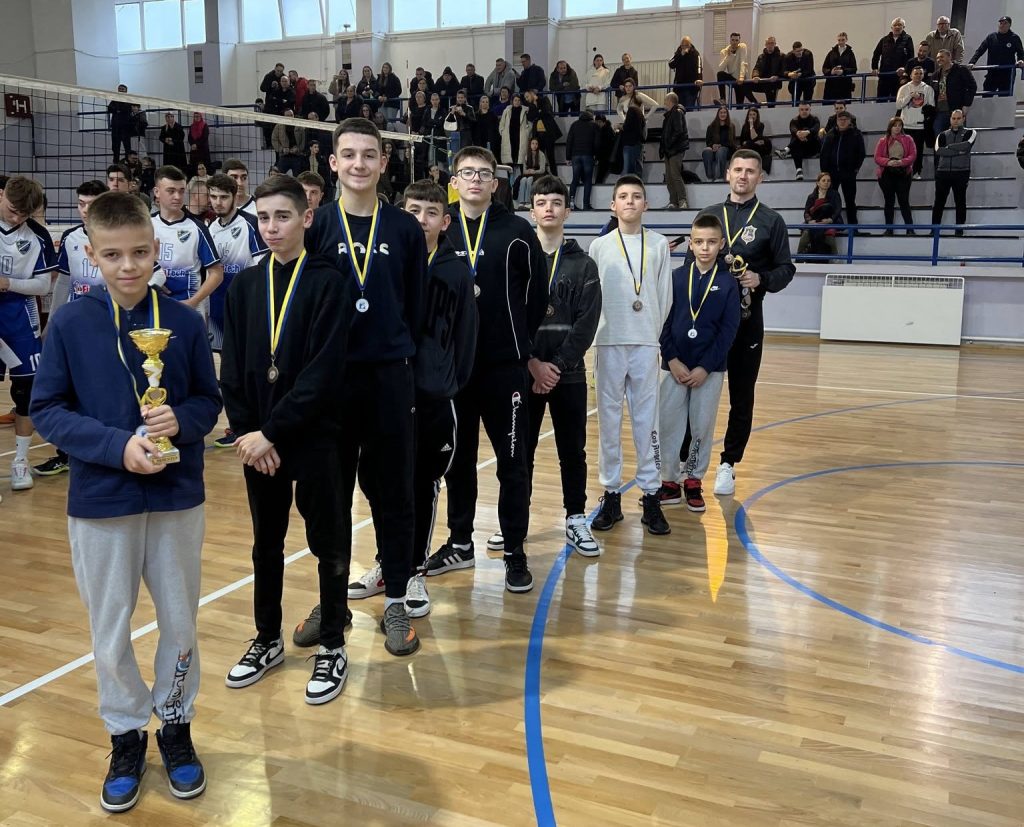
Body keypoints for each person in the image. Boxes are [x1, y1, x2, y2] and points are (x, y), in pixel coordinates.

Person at [30, 190, 221, 813]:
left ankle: (175, 722)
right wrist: (117, 447)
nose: (129, 266)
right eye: (113, 255)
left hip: (175, 497)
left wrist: (181, 422)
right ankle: (125, 733)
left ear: (156, 249)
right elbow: (47, 409)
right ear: (91, 255)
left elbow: (208, 401)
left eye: (140, 252)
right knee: (109, 627)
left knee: (180, 621)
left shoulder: (184, 324)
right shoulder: (70, 323)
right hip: (101, 498)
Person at [218, 171, 353, 703]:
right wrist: (248, 432)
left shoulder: (329, 282)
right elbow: (232, 368)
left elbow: (324, 372)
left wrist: (271, 431)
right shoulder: (246, 286)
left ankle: (333, 644)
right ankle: (267, 638)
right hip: (259, 445)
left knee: (329, 544)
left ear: (306, 218)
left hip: (313, 437)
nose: (271, 227)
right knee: (265, 544)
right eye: (263, 218)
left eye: (282, 216)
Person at [302, 118, 426, 655]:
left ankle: (396, 600)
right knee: (328, 499)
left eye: (369, 155)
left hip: (388, 379)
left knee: (394, 493)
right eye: (349, 154)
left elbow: (415, 306)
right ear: (333, 163)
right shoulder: (315, 227)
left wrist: (395, 352)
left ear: (383, 162)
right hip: (330, 383)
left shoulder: (403, 228)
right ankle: (332, 603)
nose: (359, 164)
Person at [422, 146, 547, 591]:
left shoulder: (517, 232)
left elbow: (537, 295)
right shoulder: (442, 228)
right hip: (455, 370)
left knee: (513, 463)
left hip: (504, 368)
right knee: (458, 460)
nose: (475, 179)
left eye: (483, 173)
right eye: (467, 172)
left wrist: (519, 344)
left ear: (495, 183)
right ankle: (460, 543)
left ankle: (514, 549)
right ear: (454, 182)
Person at [691, 150, 795, 496]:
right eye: (738, 169)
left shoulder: (771, 220)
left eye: (750, 171)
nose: (743, 176)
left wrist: (760, 279)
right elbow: (691, 263)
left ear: (760, 178)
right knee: (696, 391)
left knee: (742, 395)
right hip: (706, 321)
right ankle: (687, 463)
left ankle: (728, 464)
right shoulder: (708, 216)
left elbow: (786, 268)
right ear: (727, 174)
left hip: (747, 321)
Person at [588, 175, 672, 536]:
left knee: (647, 421)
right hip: (608, 341)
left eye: (637, 196)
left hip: (645, 343)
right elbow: (593, 296)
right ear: (613, 205)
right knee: (608, 421)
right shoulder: (599, 246)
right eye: (623, 196)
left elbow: (664, 295)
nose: (630, 201)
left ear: (645, 204)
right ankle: (611, 494)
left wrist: (651, 333)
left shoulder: (659, 244)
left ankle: (651, 495)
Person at [526, 175, 602, 554]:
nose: (549, 209)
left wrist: (555, 365)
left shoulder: (584, 265)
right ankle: (515, 519)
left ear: (567, 211)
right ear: (532, 211)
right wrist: (531, 362)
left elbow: (587, 323)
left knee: (572, 451)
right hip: (525, 373)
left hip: (567, 375)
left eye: (556, 202)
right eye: (542, 202)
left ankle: (575, 518)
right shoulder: (519, 259)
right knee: (519, 451)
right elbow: (508, 316)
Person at [657, 214, 739, 513]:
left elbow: (728, 330)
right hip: (673, 367)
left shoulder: (728, 283)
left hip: (709, 369)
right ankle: (669, 481)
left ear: (721, 244)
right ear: (690, 244)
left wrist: (706, 366)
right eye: (699, 242)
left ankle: (693, 479)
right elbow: (662, 321)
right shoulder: (675, 278)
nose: (705, 248)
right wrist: (671, 359)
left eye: (712, 242)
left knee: (702, 425)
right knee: (668, 424)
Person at [35, 180, 109, 481]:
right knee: (71, 390)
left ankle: (108, 447)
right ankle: (66, 453)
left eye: (92, 203)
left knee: (102, 390)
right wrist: (53, 322)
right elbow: (64, 282)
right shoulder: (70, 237)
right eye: (81, 204)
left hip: (108, 325)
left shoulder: (116, 233)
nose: (85, 210)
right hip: (77, 327)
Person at [0, 177, 57, 492]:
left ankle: (20, 460)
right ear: (2, 195)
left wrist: (8, 283)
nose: (16, 218)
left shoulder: (37, 235)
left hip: (20, 317)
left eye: (23, 214)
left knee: (26, 391)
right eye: (12, 210)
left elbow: (43, 285)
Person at [205, 172, 267, 365]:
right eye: (213, 196)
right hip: (217, 303)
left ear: (234, 196)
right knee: (225, 358)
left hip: (245, 303)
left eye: (224, 197)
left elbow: (263, 264)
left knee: (248, 356)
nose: (218, 202)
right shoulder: (211, 228)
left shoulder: (251, 223)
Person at [151, 166, 224, 314]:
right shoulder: (144, 225)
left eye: (181, 191)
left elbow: (217, 273)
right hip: (152, 306)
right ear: (157, 192)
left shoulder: (197, 228)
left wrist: (193, 301)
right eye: (171, 191)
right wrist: (152, 282)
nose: (178, 197)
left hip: (189, 307)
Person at [819, 111, 866, 232]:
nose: (842, 122)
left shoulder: (856, 134)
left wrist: (855, 169)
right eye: (840, 119)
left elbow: (861, 153)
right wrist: (825, 172)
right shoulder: (830, 134)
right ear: (836, 121)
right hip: (832, 173)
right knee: (830, 201)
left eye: (845, 119)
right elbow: (824, 154)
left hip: (848, 173)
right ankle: (831, 226)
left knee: (850, 201)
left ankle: (853, 228)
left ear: (849, 121)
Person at [932, 109, 976, 237]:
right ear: (950, 119)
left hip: (961, 172)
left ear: (963, 119)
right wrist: (958, 150)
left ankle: (959, 230)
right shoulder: (942, 135)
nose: (956, 121)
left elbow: (966, 146)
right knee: (938, 203)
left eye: (958, 118)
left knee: (960, 202)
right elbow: (939, 150)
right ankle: (934, 230)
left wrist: (949, 147)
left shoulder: (971, 132)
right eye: (953, 118)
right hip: (943, 172)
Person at [873, 116, 917, 235]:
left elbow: (913, 155)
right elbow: (877, 157)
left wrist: (902, 162)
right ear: (890, 127)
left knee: (904, 201)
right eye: (895, 125)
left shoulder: (908, 139)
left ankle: (910, 229)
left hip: (903, 173)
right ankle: (889, 229)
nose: (897, 128)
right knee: (889, 201)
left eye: (899, 125)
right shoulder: (883, 141)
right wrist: (888, 162)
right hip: (887, 173)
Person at [895, 66, 934, 178]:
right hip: (906, 125)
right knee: (903, 150)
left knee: (918, 150)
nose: (918, 76)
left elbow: (931, 107)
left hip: (920, 126)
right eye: (916, 73)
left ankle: (916, 172)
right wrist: (910, 96)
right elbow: (898, 105)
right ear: (911, 75)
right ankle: (903, 172)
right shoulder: (904, 88)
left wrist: (923, 105)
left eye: (920, 73)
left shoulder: (928, 89)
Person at [969, 16, 1024, 94]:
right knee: (987, 95)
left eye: (1005, 23)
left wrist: (1020, 60)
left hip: (1007, 73)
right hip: (992, 73)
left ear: (1009, 25)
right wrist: (972, 62)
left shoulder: (1014, 38)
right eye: (1001, 23)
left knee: (1004, 97)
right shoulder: (991, 37)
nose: (1002, 25)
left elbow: (1020, 52)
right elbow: (980, 50)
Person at [931, 49, 977, 135]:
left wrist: (966, 104)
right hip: (940, 111)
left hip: (956, 110)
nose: (939, 59)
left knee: (958, 136)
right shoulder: (935, 75)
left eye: (942, 57)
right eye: (937, 58)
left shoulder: (961, 70)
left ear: (949, 57)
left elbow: (972, 87)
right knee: (938, 134)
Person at [797, 172, 843, 258]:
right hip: (815, 222)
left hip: (830, 221)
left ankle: (836, 258)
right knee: (806, 234)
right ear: (818, 183)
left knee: (829, 236)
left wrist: (830, 220)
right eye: (824, 180)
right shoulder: (811, 196)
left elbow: (838, 210)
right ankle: (799, 257)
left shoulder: (835, 195)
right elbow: (806, 212)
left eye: (828, 181)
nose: (826, 182)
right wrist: (809, 221)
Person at [659, 93, 689, 210]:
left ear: (670, 101)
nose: (664, 103)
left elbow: (678, 131)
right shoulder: (668, 115)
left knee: (675, 175)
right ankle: (673, 201)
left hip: (675, 149)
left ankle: (682, 200)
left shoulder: (677, 113)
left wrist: (669, 144)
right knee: (669, 177)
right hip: (669, 150)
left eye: (665, 101)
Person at [873, 18, 915, 100]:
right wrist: (874, 68)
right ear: (891, 27)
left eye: (899, 25)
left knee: (897, 100)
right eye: (895, 25)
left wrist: (905, 68)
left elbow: (911, 57)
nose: (897, 27)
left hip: (899, 77)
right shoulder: (884, 40)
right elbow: (876, 54)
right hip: (884, 76)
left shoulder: (908, 39)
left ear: (903, 27)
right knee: (881, 100)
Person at [566, 109, 601, 210]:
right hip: (588, 155)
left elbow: (569, 141)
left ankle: (571, 204)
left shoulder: (574, 125)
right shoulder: (594, 126)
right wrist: (597, 156)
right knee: (588, 180)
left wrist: (568, 157)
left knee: (575, 179)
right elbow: (597, 143)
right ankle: (586, 204)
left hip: (575, 155)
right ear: (591, 116)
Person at [785, 101, 821, 180]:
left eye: (806, 109)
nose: (804, 111)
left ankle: (787, 149)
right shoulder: (794, 120)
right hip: (799, 148)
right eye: (802, 109)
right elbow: (793, 130)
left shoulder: (815, 119)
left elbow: (816, 129)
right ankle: (799, 171)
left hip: (813, 147)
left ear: (810, 110)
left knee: (806, 131)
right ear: (799, 110)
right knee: (796, 136)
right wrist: (799, 134)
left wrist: (807, 132)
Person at [717, 33, 754, 106]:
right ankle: (723, 99)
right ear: (730, 40)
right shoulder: (724, 51)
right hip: (733, 79)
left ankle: (756, 105)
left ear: (739, 41)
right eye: (733, 40)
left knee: (741, 103)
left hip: (742, 80)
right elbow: (720, 69)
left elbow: (743, 62)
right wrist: (728, 56)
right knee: (720, 74)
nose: (734, 42)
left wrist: (741, 77)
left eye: (736, 40)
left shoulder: (742, 47)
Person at [702, 105, 737, 182]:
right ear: (718, 114)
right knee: (706, 151)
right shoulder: (711, 127)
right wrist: (713, 146)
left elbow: (731, 142)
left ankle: (719, 177)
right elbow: (708, 142)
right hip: (714, 149)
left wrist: (720, 145)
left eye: (724, 113)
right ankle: (709, 177)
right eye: (721, 112)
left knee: (721, 150)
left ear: (727, 114)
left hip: (727, 150)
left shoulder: (731, 126)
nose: (723, 114)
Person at [670, 37, 704, 110]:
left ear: (690, 45)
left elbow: (699, 67)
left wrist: (699, 78)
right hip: (679, 87)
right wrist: (680, 55)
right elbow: (671, 64)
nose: (684, 47)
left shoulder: (695, 54)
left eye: (686, 45)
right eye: (682, 45)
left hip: (691, 87)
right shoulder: (678, 52)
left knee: (689, 109)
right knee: (679, 109)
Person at [822, 33, 857, 102]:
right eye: (839, 40)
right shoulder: (831, 53)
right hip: (831, 85)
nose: (840, 42)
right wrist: (831, 72)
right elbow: (824, 68)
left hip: (845, 84)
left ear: (846, 40)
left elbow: (854, 69)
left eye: (843, 40)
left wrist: (843, 71)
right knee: (830, 105)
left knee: (844, 105)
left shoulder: (850, 53)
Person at [739, 106, 772, 178]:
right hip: (748, 147)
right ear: (748, 116)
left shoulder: (761, 125)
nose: (752, 116)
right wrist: (751, 142)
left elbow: (754, 137)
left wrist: (751, 126)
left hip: (757, 147)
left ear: (757, 116)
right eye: (750, 114)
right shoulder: (745, 126)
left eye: (754, 114)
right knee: (748, 145)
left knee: (766, 142)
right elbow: (742, 142)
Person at [516, 137, 548, 209]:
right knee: (523, 180)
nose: (534, 145)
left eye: (536, 144)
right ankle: (521, 202)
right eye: (533, 143)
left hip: (538, 174)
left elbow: (542, 170)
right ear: (530, 145)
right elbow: (524, 170)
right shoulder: (526, 155)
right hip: (528, 174)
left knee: (529, 180)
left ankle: (528, 202)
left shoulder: (541, 154)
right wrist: (528, 171)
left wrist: (534, 171)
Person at [272, 111, 306, 177]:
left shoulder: (300, 126)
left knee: (298, 178)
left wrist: (298, 149)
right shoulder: (279, 126)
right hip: (284, 156)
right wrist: (282, 149)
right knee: (278, 177)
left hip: (297, 156)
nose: (290, 117)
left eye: (291, 115)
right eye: (287, 115)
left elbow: (304, 140)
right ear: (284, 116)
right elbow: (274, 139)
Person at [751, 36, 784, 107]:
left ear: (775, 44)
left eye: (772, 43)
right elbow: (756, 68)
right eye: (768, 43)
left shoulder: (781, 56)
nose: (770, 45)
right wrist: (755, 76)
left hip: (773, 83)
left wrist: (777, 76)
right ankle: (756, 104)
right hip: (762, 81)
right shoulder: (761, 57)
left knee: (771, 104)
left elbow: (784, 70)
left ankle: (771, 110)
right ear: (765, 45)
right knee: (745, 86)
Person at [108, 84, 133, 163]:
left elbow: (127, 109)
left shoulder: (129, 100)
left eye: (122, 89)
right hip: (116, 127)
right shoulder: (114, 100)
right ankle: (116, 163)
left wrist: (118, 110)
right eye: (120, 89)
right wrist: (117, 110)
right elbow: (109, 108)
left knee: (127, 147)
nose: (121, 90)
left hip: (125, 127)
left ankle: (128, 163)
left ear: (126, 91)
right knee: (115, 147)